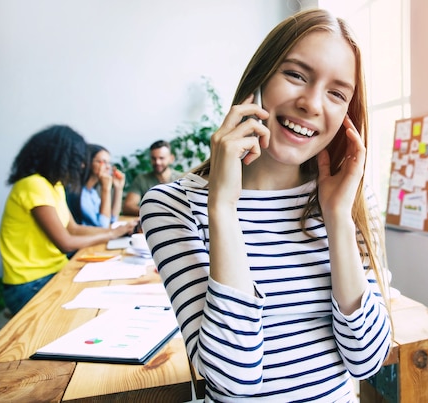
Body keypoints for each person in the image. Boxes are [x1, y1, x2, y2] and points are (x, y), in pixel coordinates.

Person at [140, 8, 392, 401]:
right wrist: (222, 207)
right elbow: (233, 379)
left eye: (337, 93)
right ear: (258, 79)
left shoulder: (352, 199)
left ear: (347, 115)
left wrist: (338, 218)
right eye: (295, 74)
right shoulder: (172, 205)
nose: (311, 103)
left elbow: (368, 360)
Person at [0, 125, 137, 316]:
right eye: (78, 160)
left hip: (55, 272)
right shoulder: (33, 185)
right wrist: (112, 233)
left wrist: (116, 232)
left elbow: (73, 228)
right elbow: (66, 242)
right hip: (29, 284)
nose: (81, 166)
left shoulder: (54, 186)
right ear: (61, 157)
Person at [67, 144, 126, 228]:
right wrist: (106, 189)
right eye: (103, 162)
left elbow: (112, 219)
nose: (108, 167)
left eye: (109, 163)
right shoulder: (79, 193)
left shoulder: (92, 192)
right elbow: (103, 225)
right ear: (87, 163)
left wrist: (118, 189)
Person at [121, 140, 182, 216]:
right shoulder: (141, 179)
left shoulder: (181, 179)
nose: (157, 162)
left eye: (161, 158)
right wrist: (155, 214)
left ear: (171, 159)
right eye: (154, 158)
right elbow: (128, 207)